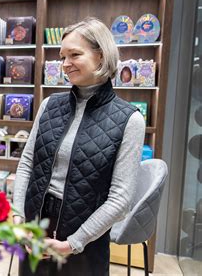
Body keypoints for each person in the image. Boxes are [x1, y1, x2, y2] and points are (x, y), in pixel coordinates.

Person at [13, 17, 145, 275]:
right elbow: (27, 162)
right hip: (36, 225)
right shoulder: (50, 105)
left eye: (74, 54)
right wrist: (18, 217)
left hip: (86, 237)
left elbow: (120, 199)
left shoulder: (130, 119)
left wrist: (74, 243)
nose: (65, 64)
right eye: (62, 57)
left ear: (101, 56)